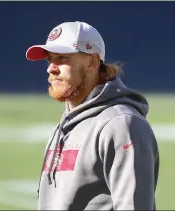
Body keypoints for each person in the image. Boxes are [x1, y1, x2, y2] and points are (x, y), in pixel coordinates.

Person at [26, 21, 159, 210]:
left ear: (93, 61)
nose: (51, 68)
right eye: (50, 59)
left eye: (62, 58)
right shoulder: (64, 125)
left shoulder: (121, 125)